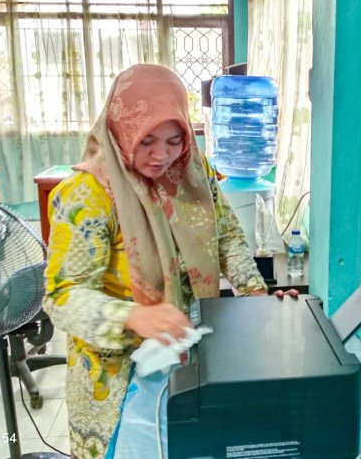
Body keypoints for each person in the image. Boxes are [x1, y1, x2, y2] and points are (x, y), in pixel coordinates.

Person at [43, 64, 295, 459]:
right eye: (146, 141)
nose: (161, 155)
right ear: (121, 129)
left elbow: (226, 235)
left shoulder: (193, 171)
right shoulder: (86, 195)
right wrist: (133, 316)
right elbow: (62, 296)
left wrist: (255, 295)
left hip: (186, 353)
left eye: (174, 140)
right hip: (116, 374)